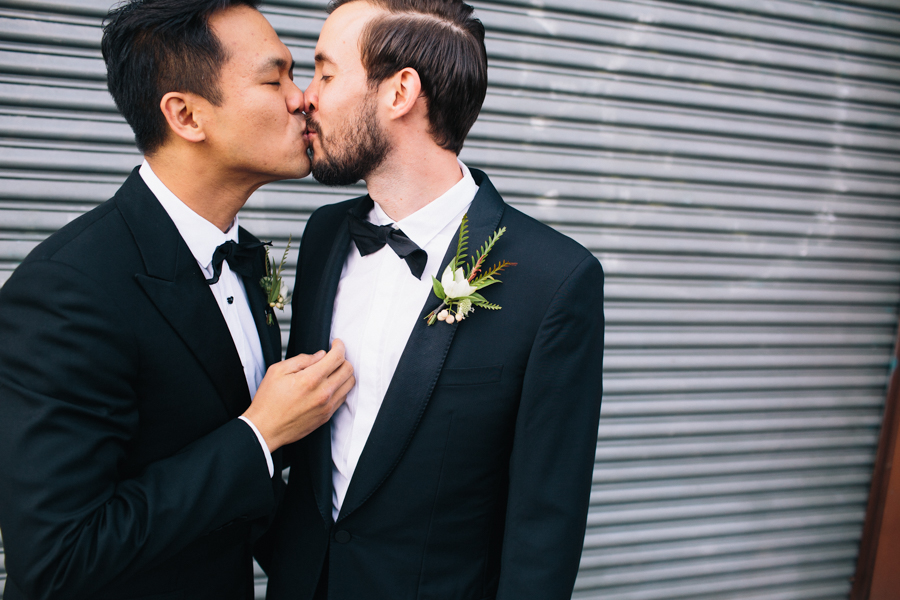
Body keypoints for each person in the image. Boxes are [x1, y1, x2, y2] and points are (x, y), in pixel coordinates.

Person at [0, 1, 355, 599]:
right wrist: (258, 435)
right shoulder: (67, 290)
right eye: (276, 79)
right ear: (187, 115)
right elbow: (58, 556)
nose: (303, 100)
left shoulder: (240, 259)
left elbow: (246, 502)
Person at [260, 0, 605, 598]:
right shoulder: (324, 238)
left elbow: (544, 528)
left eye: (326, 72)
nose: (304, 97)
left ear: (399, 93)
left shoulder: (554, 279)